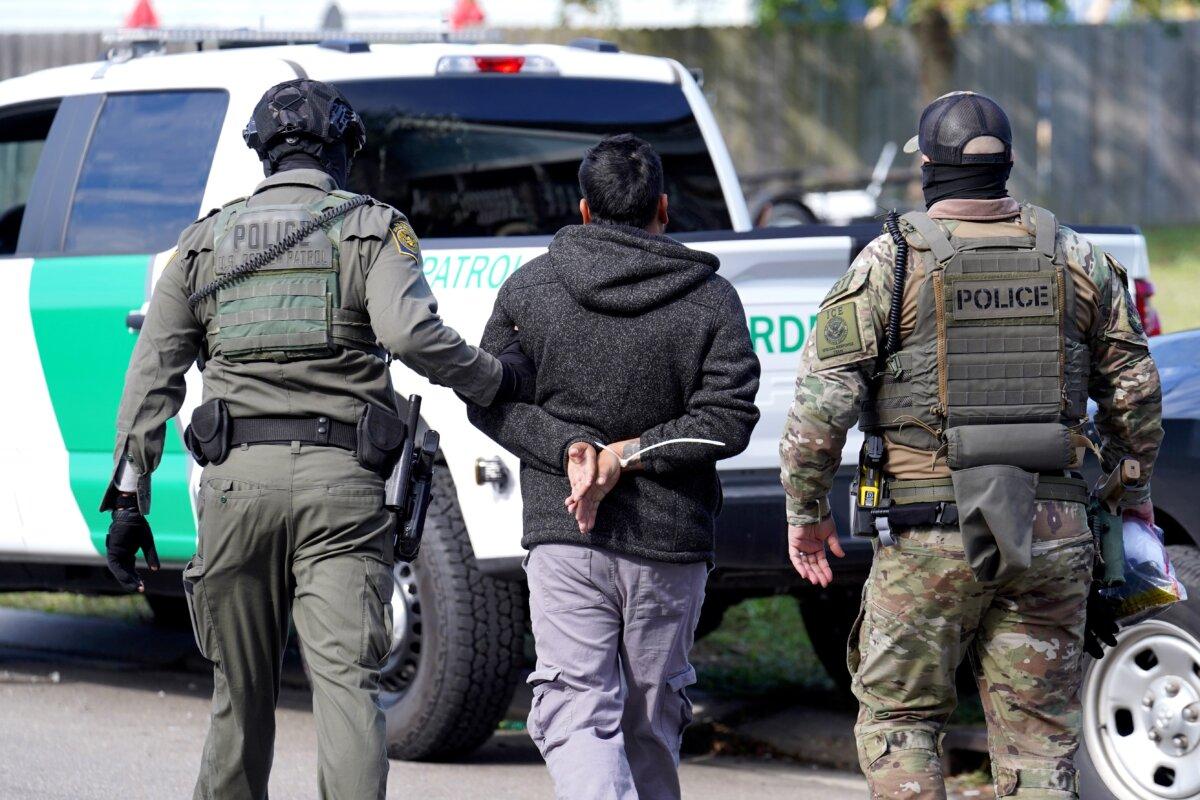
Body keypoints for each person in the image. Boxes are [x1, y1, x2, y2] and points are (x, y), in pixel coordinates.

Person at [99, 79, 533, 800]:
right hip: (343, 489)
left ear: (261, 154)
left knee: (238, 699)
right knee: (347, 694)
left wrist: (127, 501)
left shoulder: (202, 242)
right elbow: (408, 333)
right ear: (341, 148)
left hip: (237, 489)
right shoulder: (372, 227)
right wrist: (491, 378)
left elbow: (152, 376)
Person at [779, 91, 1163, 800]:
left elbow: (819, 410)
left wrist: (806, 515)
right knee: (1040, 736)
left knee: (900, 720)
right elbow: (1136, 395)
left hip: (929, 534)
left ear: (927, 166)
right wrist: (1129, 501)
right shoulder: (1076, 257)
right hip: (1052, 533)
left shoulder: (889, 263)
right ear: (1007, 164)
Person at [467, 134, 760, 799]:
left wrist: (572, 451)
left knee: (574, 711)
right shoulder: (711, 299)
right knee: (653, 722)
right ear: (663, 206)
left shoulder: (530, 289)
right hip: (670, 545)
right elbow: (728, 419)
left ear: (584, 208)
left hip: (563, 534)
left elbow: (489, 398)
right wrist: (620, 455)